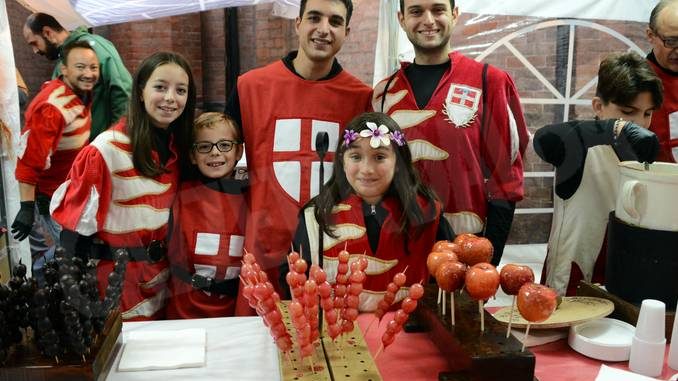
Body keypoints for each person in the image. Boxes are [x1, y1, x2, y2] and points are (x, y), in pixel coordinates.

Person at [373, 0, 530, 266]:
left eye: (438, 9)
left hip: (465, 251)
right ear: (401, 19)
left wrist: (487, 263)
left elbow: (506, 179)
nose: (428, 20)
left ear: (454, 15)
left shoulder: (489, 81)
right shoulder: (384, 93)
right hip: (398, 249)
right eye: (416, 11)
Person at [225, 0, 372, 283]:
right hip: (263, 250)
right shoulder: (250, 88)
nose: (323, 29)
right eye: (314, 18)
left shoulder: (362, 99)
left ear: (347, 31)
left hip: (331, 253)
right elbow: (215, 161)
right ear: (298, 23)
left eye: (335, 21)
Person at [50, 51, 196, 321]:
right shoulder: (106, 150)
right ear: (140, 92)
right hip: (118, 286)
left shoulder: (178, 148)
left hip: (165, 282)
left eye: (181, 90)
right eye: (160, 87)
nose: (170, 98)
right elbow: (72, 237)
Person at [284, 112, 455, 311]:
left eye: (379, 157)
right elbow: (295, 284)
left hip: (412, 335)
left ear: (398, 162)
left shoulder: (428, 213)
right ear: (342, 160)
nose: (367, 169)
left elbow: (449, 282)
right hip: (337, 336)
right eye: (356, 156)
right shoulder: (315, 217)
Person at [533, 52, 662, 295]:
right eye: (628, 112)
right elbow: (544, 139)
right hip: (571, 283)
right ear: (598, 107)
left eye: (647, 113)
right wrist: (615, 128)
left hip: (621, 276)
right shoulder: (579, 145)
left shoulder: (642, 152)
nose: (640, 123)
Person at [11, 41, 99, 284]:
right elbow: (30, 159)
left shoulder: (79, 94)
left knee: (75, 259)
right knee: (64, 263)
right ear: (64, 69)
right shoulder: (52, 107)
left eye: (93, 67)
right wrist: (27, 208)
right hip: (51, 201)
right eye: (80, 66)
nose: (88, 73)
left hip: (70, 194)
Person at [166, 112, 250, 319]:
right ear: (193, 156)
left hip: (235, 314)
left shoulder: (252, 200)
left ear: (238, 151)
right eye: (204, 146)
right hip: (184, 313)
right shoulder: (180, 196)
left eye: (224, 145)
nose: (215, 153)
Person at [23, 12, 132, 139]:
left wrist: (115, 141)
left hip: (100, 150)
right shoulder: (62, 62)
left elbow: (123, 94)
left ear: (47, 33)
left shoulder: (96, 47)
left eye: (34, 43)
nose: (35, 50)